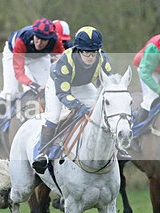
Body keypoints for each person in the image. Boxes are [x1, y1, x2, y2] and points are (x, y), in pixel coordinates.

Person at [32, 26, 115, 174]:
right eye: (86, 53)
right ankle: (42, 152)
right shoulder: (65, 61)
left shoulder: (103, 59)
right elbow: (63, 94)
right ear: (78, 50)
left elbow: (108, 86)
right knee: (53, 116)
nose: (91, 57)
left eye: (94, 53)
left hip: (83, 85)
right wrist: (78, 105)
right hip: (58, 85)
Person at [0, 18, 63, 144]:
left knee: (49, 89)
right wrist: (34, 85)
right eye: (37, 38)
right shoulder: (22, 39)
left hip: (39, 58)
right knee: (10, 93)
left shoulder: (56, 41)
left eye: (44, 40)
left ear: (50, 38)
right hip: (13, 53)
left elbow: (62, 60)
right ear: (33, 34)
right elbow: (19, 73)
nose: (39, 42)